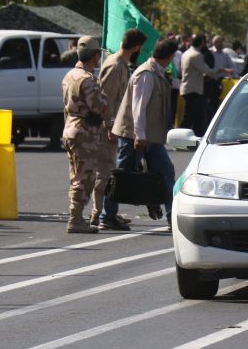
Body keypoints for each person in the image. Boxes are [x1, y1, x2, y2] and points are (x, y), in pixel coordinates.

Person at [110, 39, 178, 229]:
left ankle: (173, 219)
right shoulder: (146, 74)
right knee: (121, 176)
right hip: (135, 136)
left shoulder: (158, 72)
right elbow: (138, 108)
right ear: (170, 57)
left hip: (151, 136)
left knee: (166, 173)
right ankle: (107, 216)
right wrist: (139, 135)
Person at [93, 28, 148, 230]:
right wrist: (110, 125)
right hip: (109, 127)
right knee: (106, 172)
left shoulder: (121, 64)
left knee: (110, 171)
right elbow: (105, 99)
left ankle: (107, 212)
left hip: (115, 125)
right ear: (136, 47)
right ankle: (102, 215)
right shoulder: (116, 65)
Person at [60, 36, 107, 234]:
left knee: (76, 175)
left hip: (71, 128)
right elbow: (98, 106)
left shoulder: (69, 75)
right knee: (84, 177)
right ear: (95, 56)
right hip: (84, 132)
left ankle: (76, 216)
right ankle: (76, 218)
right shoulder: (87, 79)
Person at [180, 34, 230, 136]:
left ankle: (186, 137)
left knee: (193, 117)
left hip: (187, 88)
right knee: (194, 118)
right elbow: (207, 71)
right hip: (194, 90)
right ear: (202, 42)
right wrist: (221, 70)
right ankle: (182, 137)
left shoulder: (186, 53)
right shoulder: (196, 55)